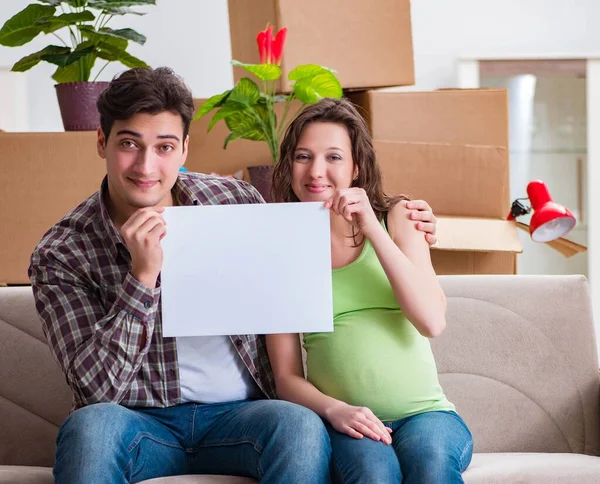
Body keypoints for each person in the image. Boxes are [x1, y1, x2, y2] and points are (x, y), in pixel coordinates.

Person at [268, 97, 473, 484]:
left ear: (356, 167)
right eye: (303, 156)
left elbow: (431, 321)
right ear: (289, 166)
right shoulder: (282, 250)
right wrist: (335, 411)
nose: (316, 171)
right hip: (348, 423)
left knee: (430, 466)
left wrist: (372, 228)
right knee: (373, 476)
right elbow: (286, 376)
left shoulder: (399, 217)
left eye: (333, 157)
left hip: (427, 415)